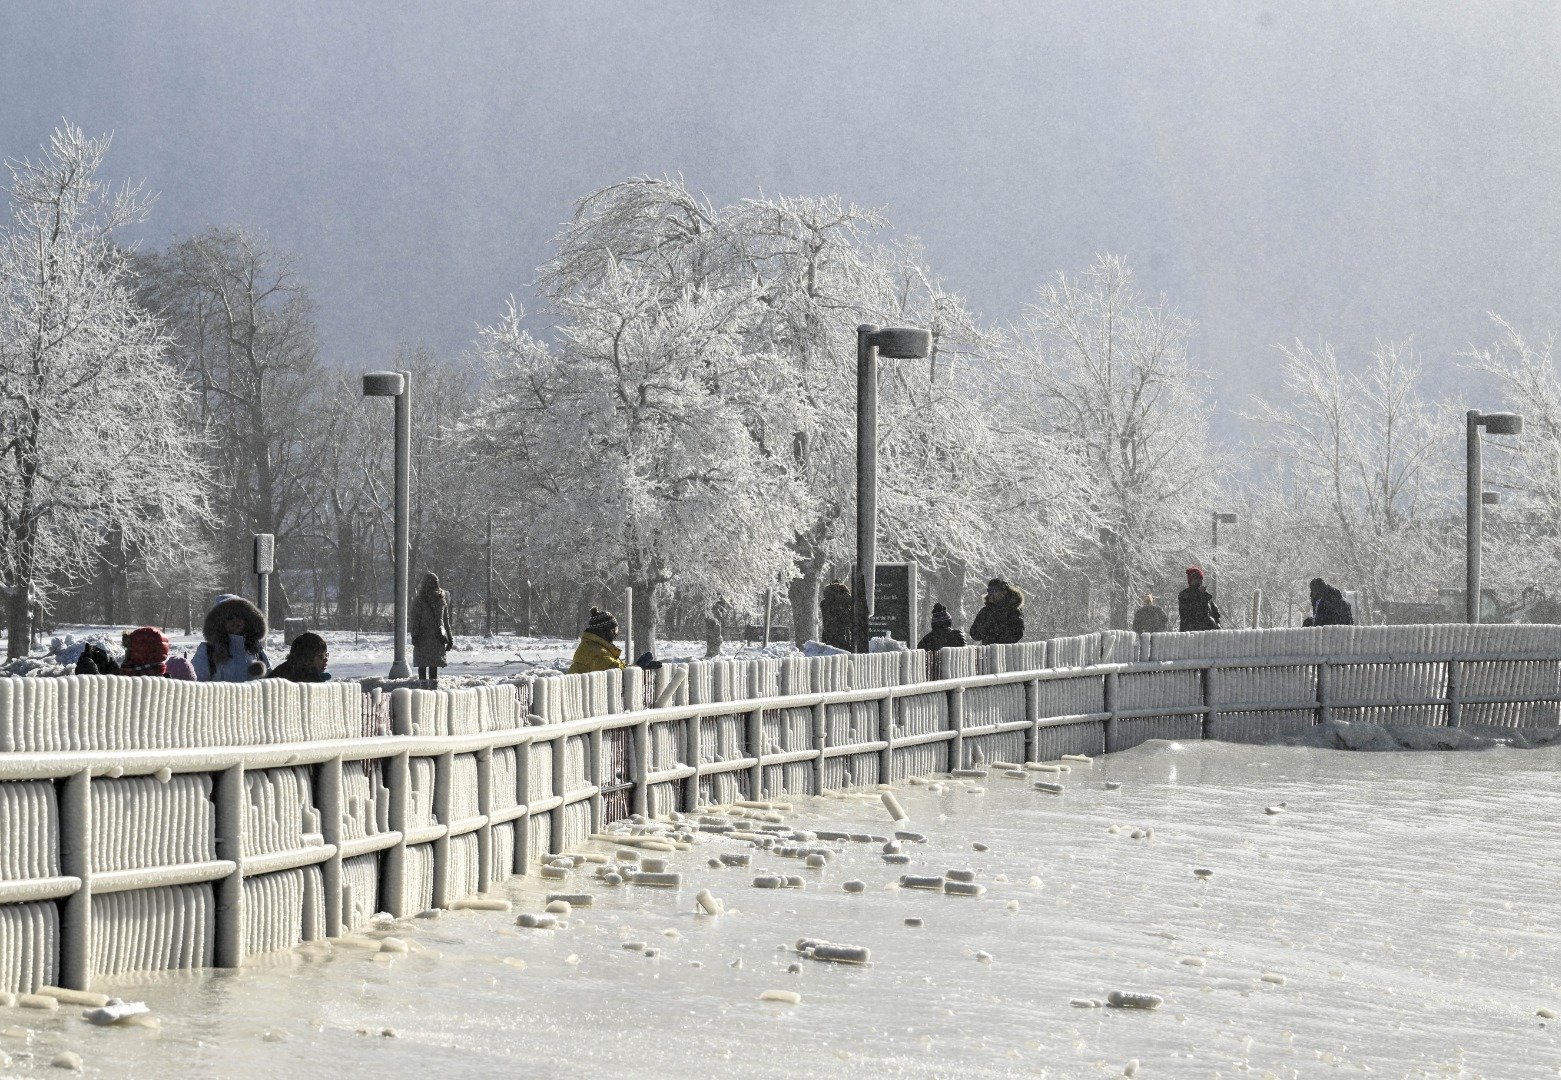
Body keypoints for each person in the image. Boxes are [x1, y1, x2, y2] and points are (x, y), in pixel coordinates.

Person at [193, 594, 271, 682]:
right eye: (229, 617)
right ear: (220, 621)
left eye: (239, 615)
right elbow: (197, 687)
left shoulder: (256, 650)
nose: (235, 620)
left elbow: (271, 683)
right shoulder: (207, 651)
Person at [409, 572, 454, 684]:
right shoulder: (441, 599)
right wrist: (449, 638)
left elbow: (415, 620)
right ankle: (433, 690)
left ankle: (423, 691)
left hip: (423, 637)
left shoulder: (419, 600)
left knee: (422, 667)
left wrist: (414, 635)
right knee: (434, 667)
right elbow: (446, 621)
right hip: (437, 638)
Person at [969, 578, 1024, 645]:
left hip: (1006, 652)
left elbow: (1017, 634)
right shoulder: (985, 611)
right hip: (988, 653)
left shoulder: (1013, 610)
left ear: (1004, 592)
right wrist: (987, 621)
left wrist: (996, 634)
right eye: (989, 591)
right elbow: (975, 635)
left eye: (994, 590)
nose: (990, 594)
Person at [1178, 567, 1221, 632]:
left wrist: (1217, 624)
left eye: (1200, 578)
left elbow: (1215, 613)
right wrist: (1201, 596)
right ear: (1190, 580)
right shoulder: (1185, 595)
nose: (1199, 580)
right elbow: (1194, 613)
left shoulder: (1206, 595)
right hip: (1192, 633)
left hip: (1208, 632)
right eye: (1196, 578)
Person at [819, 581, 853, 652]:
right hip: (842, 634)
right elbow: (848, 619)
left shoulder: (824, 604)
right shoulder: (845, 602)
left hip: (828, 635)